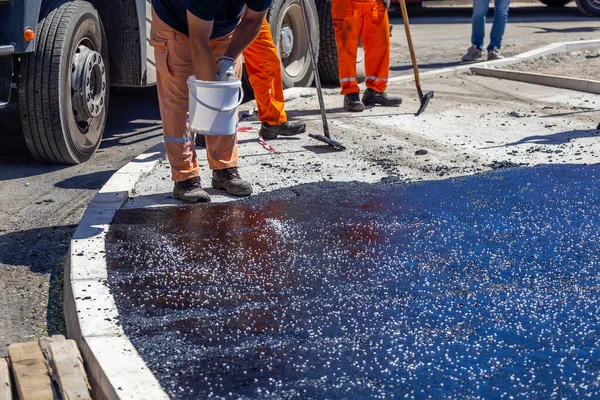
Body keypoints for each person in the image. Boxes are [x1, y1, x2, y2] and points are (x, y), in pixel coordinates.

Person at [151, 0, 271, 204]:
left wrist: (228, 59)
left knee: (226, 95)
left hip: (223, 28)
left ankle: (225, 169)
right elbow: (199, 39)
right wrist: (208, 95)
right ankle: (185, 178)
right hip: (176, 24)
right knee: (180, 100)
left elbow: (253, 19)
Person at [196, 17, 306, 147]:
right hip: (221, 6)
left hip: (248, 8)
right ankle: (209, 128)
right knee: (218, 59)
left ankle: (273, 121)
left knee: (266, 59)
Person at [332, 0, 401, 112]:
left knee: (380, 45)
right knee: (347, 49)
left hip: (375, 3)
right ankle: (350, 93)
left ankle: (375, 91)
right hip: (347, 3)